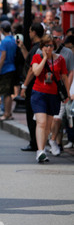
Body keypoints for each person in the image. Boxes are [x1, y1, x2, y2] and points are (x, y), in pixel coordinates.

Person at [30, 35, 69, 163]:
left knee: (48, 124)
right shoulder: (37, 57)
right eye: (46, 45)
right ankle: (40, 151)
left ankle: (43, 148)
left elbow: (64, 77)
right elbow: (36, 72)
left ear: (54, 47)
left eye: (51, 45)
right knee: (41, 122)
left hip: (53, 95)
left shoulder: (61, 59)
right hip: (39, 94)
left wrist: (67, 94)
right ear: (42, 47)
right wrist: (45, 58)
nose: (48, 48)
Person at [18, 23, 44, 152]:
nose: (29, 34)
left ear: (34, 32)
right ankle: (36, 142)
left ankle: (34, 143)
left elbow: (31, 70)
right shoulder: (36, 48)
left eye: (30, 31)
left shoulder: (38, 48)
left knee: (31, 116)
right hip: (35, 86)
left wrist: (24, 86)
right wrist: (22, 47)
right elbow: (29, 60)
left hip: (33, 86)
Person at [49, 26, 74, 155]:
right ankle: (55, 142)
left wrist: (67, 89)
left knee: (57, 119)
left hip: (61, 91)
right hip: (46, 90)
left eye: (59, 37)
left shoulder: (68, 53)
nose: (57, 40)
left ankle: (53, 141)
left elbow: (70, 71)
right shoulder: (44, 50)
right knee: (50, 119)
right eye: (55, 37)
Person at [0, 20, 17, 121]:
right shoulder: (13, 39)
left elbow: (2, 56)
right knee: (9, 92)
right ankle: (8, 112)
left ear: (2, 30)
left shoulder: (4, 41)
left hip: (6, 69)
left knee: (6, 93)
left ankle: (6, 113)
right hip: (12, 68)